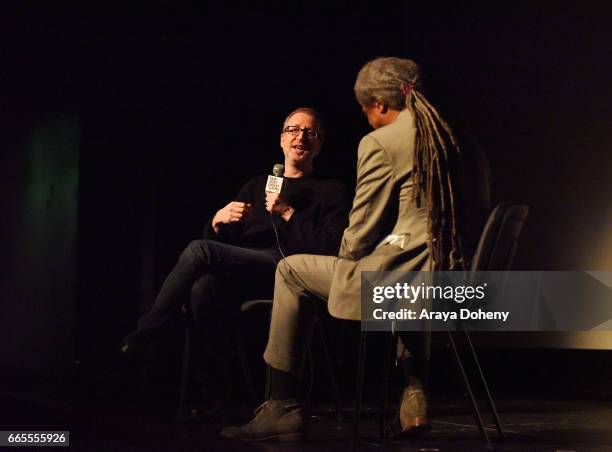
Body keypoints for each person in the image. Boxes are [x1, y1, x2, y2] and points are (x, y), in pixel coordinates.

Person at [221, 57, 490, 442]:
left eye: (365, 111)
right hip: (457, 284)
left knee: (292, 270)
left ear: (380, 104)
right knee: (410, 273)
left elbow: (358, 237)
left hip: (400, 286)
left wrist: (350, 255)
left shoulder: (381, 142)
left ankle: (281, 405)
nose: (366, 120)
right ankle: (415, 397)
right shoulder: (460, 139)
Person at [121, 107, 349, 412]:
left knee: (200, 250)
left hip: (289, 272)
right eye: (293, 130)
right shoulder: (257, 184)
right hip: (249, 268)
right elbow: (224, 247)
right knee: (203, 288)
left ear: (319, 144)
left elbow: (332, 247)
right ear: (281, 139)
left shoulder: (330, 190)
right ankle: (218, 395)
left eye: (310, 132)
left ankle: (148, 334)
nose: (301, 137)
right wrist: (217, 222)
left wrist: (288, 213)